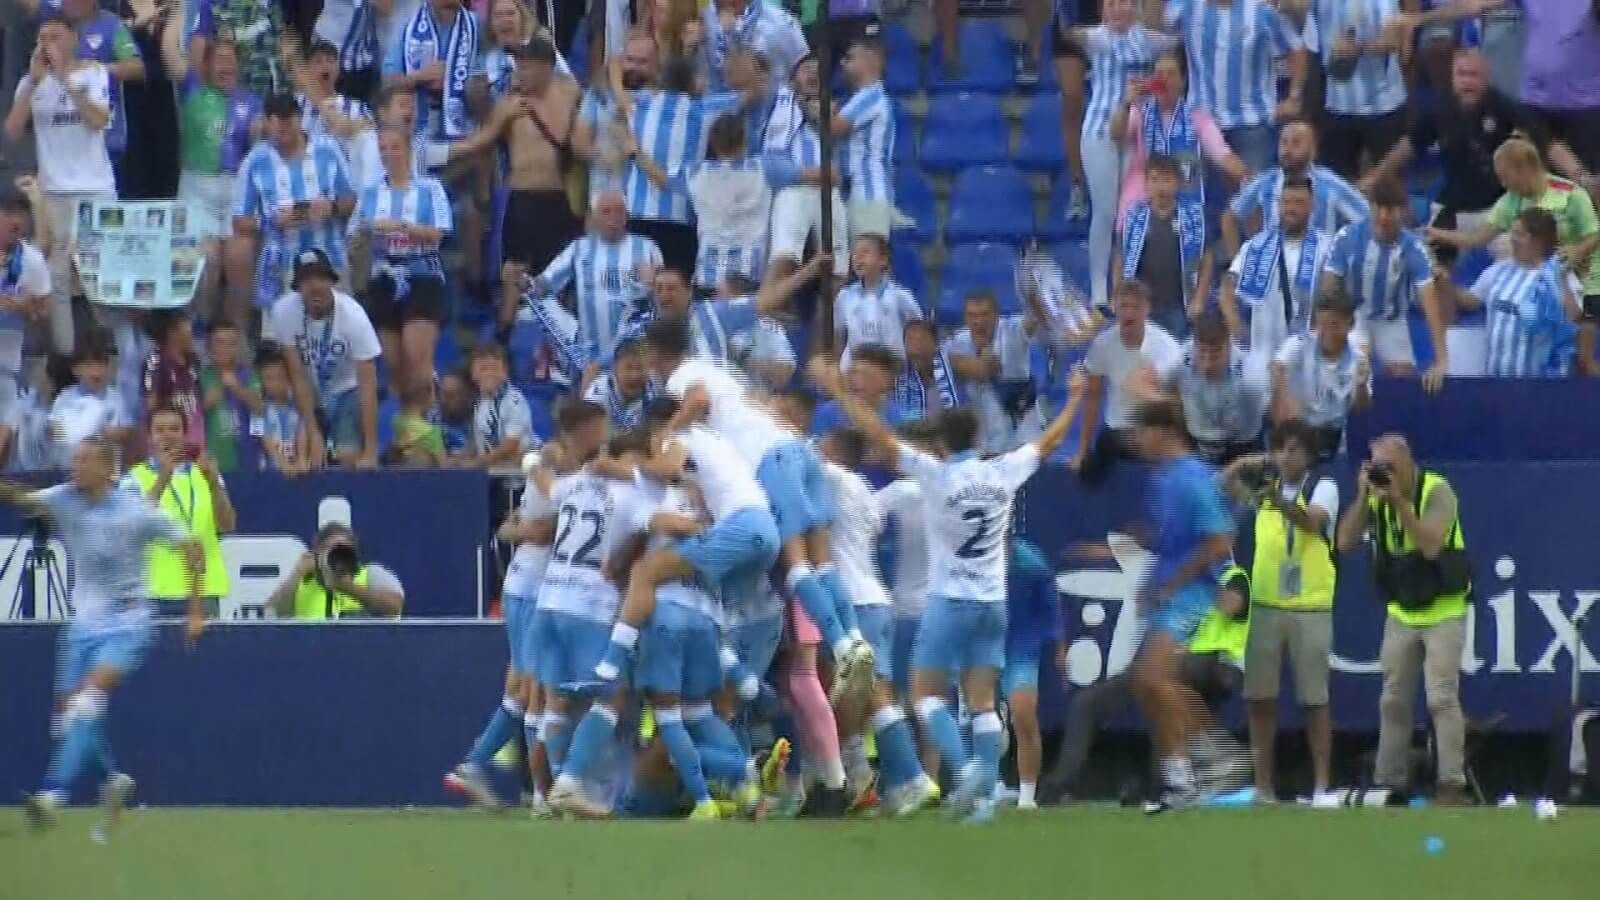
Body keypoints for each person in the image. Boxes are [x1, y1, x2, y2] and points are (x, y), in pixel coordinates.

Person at [808, 351, 1088, 823]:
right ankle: (985, 795)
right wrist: (1076, 400)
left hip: (948, 601)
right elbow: (1048, 442)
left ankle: (966, 770)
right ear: (977, 438)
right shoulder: (1003, 471)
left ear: (941, 441)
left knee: (925, 697)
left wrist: (839, 393)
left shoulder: (936, 475)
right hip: (992, 602)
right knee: (981, 701)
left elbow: (878, 435)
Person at [629, 318, 874, 700]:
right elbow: (764, 407)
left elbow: (698, 401)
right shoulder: (721, 372)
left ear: (655, 353)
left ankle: (842, 649)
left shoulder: (682, 377)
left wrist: (667, 432)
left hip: (771, 459)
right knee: (822, 562)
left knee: (796, 565)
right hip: (799, 449)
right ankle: (856, 642)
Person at [10, 434, 205, 835]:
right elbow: (25, 501)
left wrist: (195, 609)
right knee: (68, 721)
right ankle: (113, 778)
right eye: (74, 459)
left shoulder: (136, 512)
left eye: (83, 461)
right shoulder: (65, 497)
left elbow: (192, 547)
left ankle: (52, 795)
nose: (74, 467)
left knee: (86, 703)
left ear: (106, 469)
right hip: (82, 626)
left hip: (129, 625)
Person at [1335, 432, 1471, 806]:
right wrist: (1364, 497)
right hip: (1402, 610)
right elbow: (1344, 543)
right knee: (1393, 699)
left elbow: (1430, 544)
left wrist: (1400, 504)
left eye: (1390, 468)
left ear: (1409, 462)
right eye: (1378, 468)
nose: (1385, 475)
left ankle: (1451, 784)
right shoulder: (1376, 498)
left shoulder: (1437, 491)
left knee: (1441, 698)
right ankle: (1388, 781)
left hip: (1444, 608)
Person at [1040, 563, 1250, 803]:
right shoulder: (1177, 580)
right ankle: (1058, 784)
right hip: (1167, 665)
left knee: (1157, 689)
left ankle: (1167, 783)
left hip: (1214, 665)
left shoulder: (1233, 577)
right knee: (1086, 703)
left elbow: (1230, 604)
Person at [814, 426, 940, 817]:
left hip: (855, 603)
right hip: (875, 601)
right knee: (858, 694)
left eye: (822, 444)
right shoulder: (865, 492)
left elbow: (795, 456)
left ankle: (911, 778)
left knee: (871, 694)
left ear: (834, 453)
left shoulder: (839, 480)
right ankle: (865, 781)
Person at [444, 412, 561, 810]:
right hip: (530, 589)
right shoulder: (556, 472)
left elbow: (512, 527)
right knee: (532, 689)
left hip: (530, 588)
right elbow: (534, 530)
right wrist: (531, 529)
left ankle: (475, 764)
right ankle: (542, 793)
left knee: (519, 688)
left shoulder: (553, 470)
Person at [1220, 418, 1338, 806]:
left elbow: (1311, 522)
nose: (1287, 457)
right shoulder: (1265, 490)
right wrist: (1254, 462)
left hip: (1310, 606)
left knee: (1314, 699)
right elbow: (1224, 483)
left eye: (1295, 450)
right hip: (1267, 604)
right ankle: (1263, 786)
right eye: (1281, 449)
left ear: (1309, 455)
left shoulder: (1324, 486)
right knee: (1260, 698)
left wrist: (1276, 499)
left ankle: (1322, 786)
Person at [1127, 398, 1236, 812]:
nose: (1137, 443)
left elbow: (1220, 540)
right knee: (1147, 683)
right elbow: (1174, 538)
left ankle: (1217, 756)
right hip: (1166, 594)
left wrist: (1172, 583)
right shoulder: (1162, 479)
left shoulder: (1193, 477)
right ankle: (1180, 781)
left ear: (1162, 432)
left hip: (1192, 596)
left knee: (1154, 678)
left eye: (1141, 433)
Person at [1428, 139, 1599, 375]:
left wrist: (1576, 252)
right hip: (1542, 269)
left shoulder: (1571, 195)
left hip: (1586, 275)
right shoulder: (1510, 201)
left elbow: (1594, 234)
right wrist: (1436, 234)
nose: (1502, 183)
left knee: (1584, 359)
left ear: (1523, 169)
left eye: (1505, 176)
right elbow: (1477, 239)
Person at [454, 39, 581, 334]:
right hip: (521, 200)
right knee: (515, 274)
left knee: (555, 278)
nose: (520, 71)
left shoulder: (571, 93)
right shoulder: (510, 104)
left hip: (558, 200)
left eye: (527, 65)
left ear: (546, 67)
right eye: (518, 65)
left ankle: (554, 349)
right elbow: (482, 141)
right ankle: (503, 340)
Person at [4, 15, 114, 355]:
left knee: (99, 273)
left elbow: (99, 121)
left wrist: (66, 78)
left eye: (55, 36)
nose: (47, 44)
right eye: (42, 38)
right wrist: (36, 82)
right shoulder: (31, 83)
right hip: (54, 191)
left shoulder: (94, 74)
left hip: (94, 186)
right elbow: (11, 130)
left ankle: (108, 348)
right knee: (58, 274)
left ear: (73, 39)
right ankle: (66, 356)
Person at [1059, 1, 1177, 310]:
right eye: (1111, 4)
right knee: (1105, 211)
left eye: (1124, 3)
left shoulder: (1150, 40)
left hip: (1139, 136)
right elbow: (1068, 32)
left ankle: (1127, 283)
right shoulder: (1096, 38)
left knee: (1133, 213)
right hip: (1100, 131)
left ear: (1135, 8)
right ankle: (1099, 290)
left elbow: (1179, 39)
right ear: (1102, 10)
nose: (1117, 10)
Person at [1363, 49, 1527, 265]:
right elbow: (1411, 144)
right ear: (1452, 77)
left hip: (1498, 207)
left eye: (1474, 75)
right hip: (1453, 205)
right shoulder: (1439, 109)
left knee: (1519, 262)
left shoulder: (1505, 109)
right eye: (1462, 74)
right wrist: (1378, 174)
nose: (1467, 81)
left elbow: (1531, 152)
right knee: (1428, 267)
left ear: (1487, 77)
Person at [165, 34, 261, 327]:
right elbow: (170, 50)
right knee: (207, 262)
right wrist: (179, 11)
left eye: (232, 60)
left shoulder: (253, 101)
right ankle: (199, 330)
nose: (226, 65)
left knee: (239, 261)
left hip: (235, 190)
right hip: (197, 189)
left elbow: (259, 144)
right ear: (205, 66)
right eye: (219, 59)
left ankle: (236, 333)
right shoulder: (192, 89)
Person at [348, 126, 453, 395]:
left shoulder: (431, 188)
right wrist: (369, 231)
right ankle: (403, 428)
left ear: (407, 150)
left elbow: (439, 233)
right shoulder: (371, 190)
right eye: (383, 148)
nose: (388, 154)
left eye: (395, 147)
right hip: (383, 277)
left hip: (422, 274)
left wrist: (404, 227)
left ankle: (429, 424)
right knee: (393, 364)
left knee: (418, 361)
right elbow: (356, 232)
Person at [526, 190, 661, 389]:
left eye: (619, 212)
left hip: (634, 351)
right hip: (590, 352)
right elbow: (545, 284)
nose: (613, 218)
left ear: (627, 215)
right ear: (594, 217)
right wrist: (526, 283)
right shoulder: (579, 248)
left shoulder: (647, 247)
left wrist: (652, 284)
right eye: (606, 212)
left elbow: (663, 298)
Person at [1322, 177, 1449, 390]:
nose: (1383, 216)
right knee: (1358, 368)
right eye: (1378, 208)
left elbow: (1430, 303)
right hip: (1354, 316)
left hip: (1391, 320)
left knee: (1403, 381)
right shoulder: (1347, 237)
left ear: (1401, 211)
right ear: (1370, 207)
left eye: (1390, 209)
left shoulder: (1413, 248)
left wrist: (1441, 361)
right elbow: (1328, 289)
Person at [234, 93, 357, 308]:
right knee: (282, 337)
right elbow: (239, 221)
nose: (282, 131)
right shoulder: (255, 161)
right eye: (275, 124)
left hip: (330, 258)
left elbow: (350, 200)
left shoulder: (328, 149)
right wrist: (271, 221)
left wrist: (332, 207)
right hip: (280, 265)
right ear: (267, 123)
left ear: (299, 119)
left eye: (288, 122)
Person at [264, 248, 382, 468]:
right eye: (307, 280)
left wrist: (371, 450)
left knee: (347, 457)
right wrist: (312, 431)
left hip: (347, 388)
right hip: (308, 388)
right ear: (298, 287)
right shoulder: (283, 311)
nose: (314, 286)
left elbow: (368, 384)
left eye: (320, 278)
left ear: (331, 281)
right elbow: (296, 373)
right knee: (306, 457)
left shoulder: (354, 316)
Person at [1165, 0, 1306, 172]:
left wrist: (1294, 97)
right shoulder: (1186, 6)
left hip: (1253, 124)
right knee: (1194, 194)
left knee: (1254, 194)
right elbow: (1159, 25)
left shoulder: (1261, 10)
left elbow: (1296, 47)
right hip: (1200, 122)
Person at [125, 404, 236, 620]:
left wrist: (213, 482)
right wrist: (163, 478)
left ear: (185, 434)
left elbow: (227, 525)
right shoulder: (134, 478)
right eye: (160, 430)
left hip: (204, 588)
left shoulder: (206, 473)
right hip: (156, 591)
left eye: (174, 429)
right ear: (150, 437)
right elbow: (133, 527)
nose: (167, 435)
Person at [1113, 48, 1248, 218]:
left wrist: (1251, 178)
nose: (1164, 80)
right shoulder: (1139, 112)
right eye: (1159, 74)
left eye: (1171, 74)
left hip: (1184, 194)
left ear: (1182, 81)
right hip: (1142, 194)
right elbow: (1116, 135)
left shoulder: (1198, 118)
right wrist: (1126, 104)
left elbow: (1222, 155)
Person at [1074, 281, 1185, 479]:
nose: (1129, 313)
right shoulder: (1103, 345)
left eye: (1136, 307)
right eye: (1124, 306)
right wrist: (1083, 449)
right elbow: (1093, 397)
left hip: (1153, 431)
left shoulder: (1166, 348)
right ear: (1115, 308)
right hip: (1117, 428)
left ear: (1147, 310)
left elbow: (1173, 399)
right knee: (1091, 466)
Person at [1456, 208, 1581, 378]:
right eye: (1512, 233)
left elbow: (1572, 318)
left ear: (1538, 240)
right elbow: (1471, 300)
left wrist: (1562, 278)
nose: (1512, 240)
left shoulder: (1559, 275)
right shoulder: (1499, 269)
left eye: (1519, 234)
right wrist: (1443, 283)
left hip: (1543, 386)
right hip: (1497, 383)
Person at [1220, 177, 1334, 361]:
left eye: (1299, 202)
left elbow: (1334, 298)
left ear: (1311, 206)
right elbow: (1228, 285)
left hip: (1306, 358)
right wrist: (1235, 323)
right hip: (1261, 357)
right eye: (1286, 202)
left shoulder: (1327, 247)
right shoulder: (1256, 245)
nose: (1291, 208)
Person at [1223, 118, 1369, 260]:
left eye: (1296, 143)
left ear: (1313, 151)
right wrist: (1237, 265)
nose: (1287, 150)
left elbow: (1366, 218)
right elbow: (1230, 217)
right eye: (1284, 143)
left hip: (1319, 269)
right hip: (1275, 268)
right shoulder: (1265, 182)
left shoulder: (1331, 185)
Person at [763, 53, 849, 288]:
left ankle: (825, 324)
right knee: (785, 258)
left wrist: (824, 118)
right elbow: (772, 167)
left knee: (839, 271)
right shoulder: (781, 104)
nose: (813, 72)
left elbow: (845, 167)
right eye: (806, 68)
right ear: (792, 80)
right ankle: (766, 316)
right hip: (795, 190)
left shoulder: (837, 113)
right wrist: (813, 173)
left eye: (818, 68)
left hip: (830, 192)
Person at [1115, 154, 1213, 341]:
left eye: (1166, 180)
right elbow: (1120, 259)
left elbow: (1206, 260)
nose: (1161, 186)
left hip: (1178, 306)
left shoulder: (1193, 218)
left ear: (1178, 183)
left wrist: (1200, 298)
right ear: (1146, 183)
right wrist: (1118, 295)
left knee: (1174, 361)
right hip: (1142, 306)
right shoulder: (1134, 217)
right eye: (1154, 179)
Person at [680, 115, 778, 292]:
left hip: (708, 275)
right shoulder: (767, 169)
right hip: (750, 273)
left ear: (713, 143)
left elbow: (661, 178)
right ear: (744, 139)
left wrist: (634, 152)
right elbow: (816, 175)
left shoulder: (695, 172)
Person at [1002, 536, 1064, 812]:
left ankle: (1027, 796)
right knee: (979, 719)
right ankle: (984, 787)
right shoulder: (968, 559)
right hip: (981, 644)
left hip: (1020, 647)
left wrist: (1060, 648)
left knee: (1024, 714)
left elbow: (1052, 611)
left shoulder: (1032, 564)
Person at [1271, 289, 1371, 459]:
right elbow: (1275, 367)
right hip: (1300, 428)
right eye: (1322, 325)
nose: (1328, 333)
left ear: (1350, 324)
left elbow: (1360, 407)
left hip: (1335, 435)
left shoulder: (1358, 358)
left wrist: (1361, 386)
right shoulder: (1301, 343)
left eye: (1335, 325)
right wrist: (1287, 399)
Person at [943, 290, 1033, 454]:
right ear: (965, 318)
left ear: (997, 315)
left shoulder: (1012, 331)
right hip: (982, 445)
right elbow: (982, 370)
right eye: (972, 315)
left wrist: (1034, 294)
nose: (978, 321)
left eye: (985, 314)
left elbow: (1033, 321)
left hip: (1021, 443)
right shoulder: (957, 342)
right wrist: (983, 355)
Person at [823, 37, 894, 242]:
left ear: (872, 60)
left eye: (850, 58)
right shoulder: (859, 98)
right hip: (856, 193)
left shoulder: (871, 95)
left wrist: (809, 107)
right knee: (858, 264)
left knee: (869, 261)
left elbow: (832, 128)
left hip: (869, 194)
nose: (843, 63)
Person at [0, 186, 50, 461]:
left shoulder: (31, 260)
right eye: (8, 213)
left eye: (21, 214)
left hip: (9, 366)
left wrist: (24, 307)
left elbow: (43, 312)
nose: (16, 221)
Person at [266, 521, 407, 618]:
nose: (337, 555)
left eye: (343, 549)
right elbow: (274, 614)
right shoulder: (302, 582)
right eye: (329, 549)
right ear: (316, 553)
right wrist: (297, 574)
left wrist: (345, 586)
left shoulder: (370, 574)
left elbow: (394, 607)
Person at [1179, 312, 1266, 466]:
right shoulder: (1182, 358)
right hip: (1196, 444)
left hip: (1241, 448)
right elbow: (1162, 388)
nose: (1207, 364)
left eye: (1215, 356)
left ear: (1229, 348)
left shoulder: (1252, 378)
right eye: (1202, 353)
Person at [833, 233, 920, 368]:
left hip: (891, 370)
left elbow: (917, 332)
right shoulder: (844, 296)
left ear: (883, 260)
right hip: (854, 369)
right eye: (854, 254)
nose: (858, 257)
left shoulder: (900, 296)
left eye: (865, 252)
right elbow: (839, 337)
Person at [190, 0, 294, 98]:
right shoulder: (215, 5)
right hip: (234, 101)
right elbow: (200, 53)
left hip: (279, 98)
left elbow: (287, 47)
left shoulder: (278, 5)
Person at [700, 0, 807, 95]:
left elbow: (801, 69)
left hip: (771, 110)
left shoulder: (780, 22)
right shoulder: (700, 22)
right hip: (710, 110)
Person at [50, 341, 130, 466]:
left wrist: (117, 434)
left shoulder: (118, 399)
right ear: (75, 370)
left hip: (104, 469)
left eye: (101, 365)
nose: (96, 372)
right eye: (88, 366)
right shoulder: (64, 398)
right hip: (67, 467)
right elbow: (56, 431)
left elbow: (127, 431)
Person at [198, 320, 263, 473]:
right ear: (208, 345)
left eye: (232, 343)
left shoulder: (249, 375)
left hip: (247, 457)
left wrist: (237, 387)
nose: (225, 349)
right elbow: (191, 417)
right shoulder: (200, 377)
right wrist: (207, 402)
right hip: (213, 460)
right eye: (220, 342)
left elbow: (260, 408)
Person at [140, 311, 205, 453]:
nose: (191, 331)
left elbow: (198, 400)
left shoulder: (194, 360)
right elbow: (151, 405)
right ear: (172, 332)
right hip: (169, 440)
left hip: (195, 439)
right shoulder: (155, 361)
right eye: (186, 326)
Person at [809, 342, 907, 436]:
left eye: (867, 375)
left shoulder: (903, 418)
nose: (857, 380)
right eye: (854, 372)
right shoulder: (826, 412)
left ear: (888, 381)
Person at [468, 341, 536, 467]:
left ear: (505, 372)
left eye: (494, 369)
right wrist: (458, 460)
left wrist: (477, 464)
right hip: (490, 470)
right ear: (473, 373)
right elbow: (478, 443)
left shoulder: (513, 400)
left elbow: (511, 445)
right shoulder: (480, 402)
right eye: (483, 369)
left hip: (514, 473)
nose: (489, 374)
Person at [894, 318, 963, 422]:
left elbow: (983, 368)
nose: (915, 346)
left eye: (921, 339)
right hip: (912, 434)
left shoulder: (953, 364)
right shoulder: (896, 373)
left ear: (936, 345)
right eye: (910, 340)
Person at [254, 345, 309, 474]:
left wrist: (302, 459)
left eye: (280, 377)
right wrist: (282, 462)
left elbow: (302, 434)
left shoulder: (297, 407)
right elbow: (263, 438)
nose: (276, 383)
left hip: (295, 468)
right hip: (268, 472)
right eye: (269, 378)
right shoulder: (257, 407)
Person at [583, 334, 651, 431]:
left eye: (640, 368)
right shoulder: (597, 396)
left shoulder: (655, 387)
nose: (635, 375)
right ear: (615, 369)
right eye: (629, 368)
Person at [387, 380, 446, 466]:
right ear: (429, 399)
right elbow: (444, 466)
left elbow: (393, 456)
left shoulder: (397, 421)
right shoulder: (431, 432)